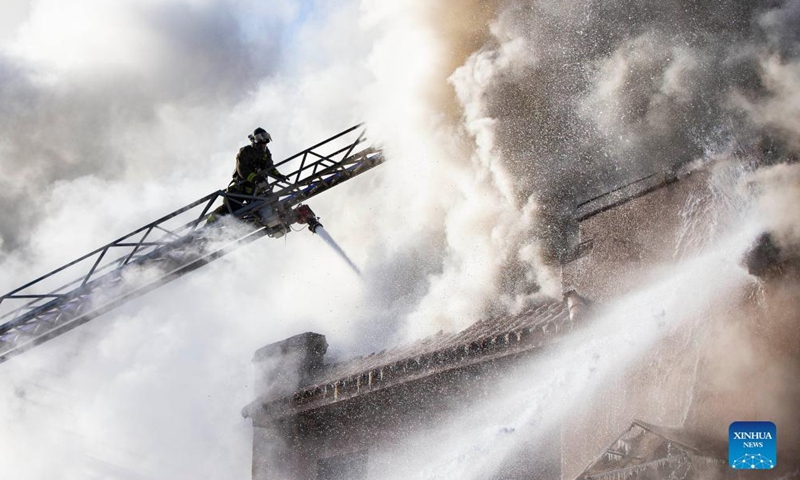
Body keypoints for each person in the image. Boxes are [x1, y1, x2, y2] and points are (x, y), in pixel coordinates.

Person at [209, 127, 288, 220]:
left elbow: (270, 167)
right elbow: (242, 170)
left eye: (264, 143)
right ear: (254, 141)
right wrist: (255, 178)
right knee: (228, 208)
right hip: (240, 188)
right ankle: (208, 225)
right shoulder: (245, 152)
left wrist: (279, 176)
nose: (263, 145)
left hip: (256, 190)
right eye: (260, 142)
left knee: (266, 205)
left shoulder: (265, 153)